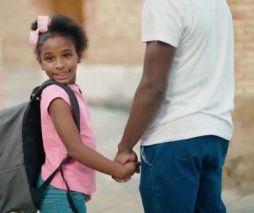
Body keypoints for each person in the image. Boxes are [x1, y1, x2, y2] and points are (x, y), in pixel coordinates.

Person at [114, 0, 234, 212]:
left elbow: (153, 87)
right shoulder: (218, 3)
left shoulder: (164, 3)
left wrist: (125, 146)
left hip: (174, 139)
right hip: (215, 133)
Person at [29, 14, 139, 213]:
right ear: (41, 63)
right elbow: (76, 149)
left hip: (67, 189)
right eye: (49, 58)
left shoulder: (69, 90)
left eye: (66, 54)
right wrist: (118, 170)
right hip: (60, 191)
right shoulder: (56, 96)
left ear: (79, 54)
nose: (59, 64)